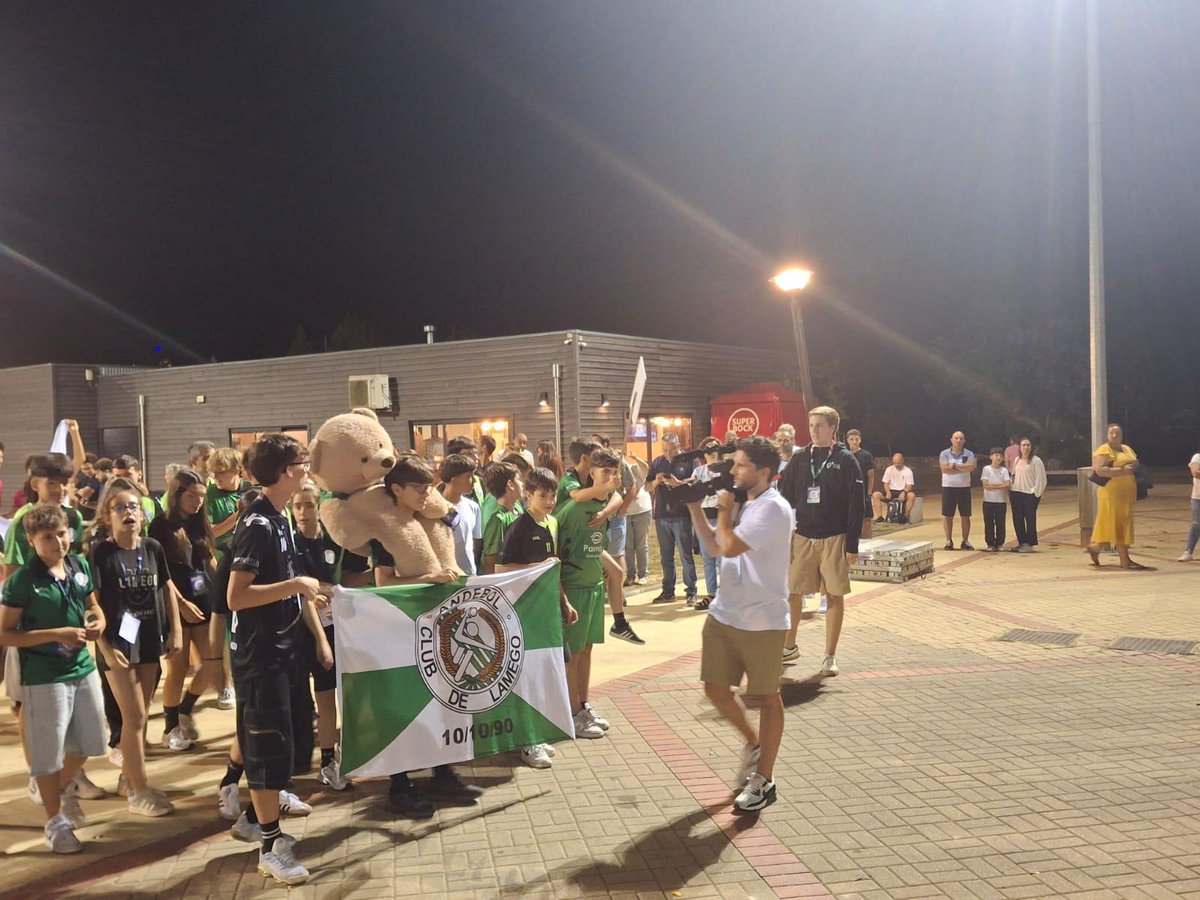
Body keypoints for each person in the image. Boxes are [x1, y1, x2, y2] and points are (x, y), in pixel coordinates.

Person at [226, 434, 332, 884]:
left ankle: (256, 818)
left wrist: (306, 595)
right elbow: (236, 596)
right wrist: (295, 586)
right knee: (267, 748)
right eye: (302, 462)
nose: (307, 468)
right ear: (287, 471)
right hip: (260, 655)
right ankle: (270, 845)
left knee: (283, 744)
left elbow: (286, 581)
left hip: (283, 650)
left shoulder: (280, 515)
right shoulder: (258, 523)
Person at [685, 436, 793, 812]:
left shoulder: (773, 509)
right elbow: (715, 548)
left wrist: (725, 512)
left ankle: (764, 778)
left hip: (762, 619)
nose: (732, 471)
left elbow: (730, 546)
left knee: (766, 697)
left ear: (763, 472)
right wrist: (695, 507)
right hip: (725, 613)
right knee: (715, 689)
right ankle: (754, 743)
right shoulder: (747, 505)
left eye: (741, 465)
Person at [370, 455, 481, 818]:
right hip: (401, 627)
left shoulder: (433, 520)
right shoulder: (385, 528)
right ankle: (400, 784)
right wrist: (429, 579)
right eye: (419, 490)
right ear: (396, 489)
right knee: (405, 705)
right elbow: (383, 582)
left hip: (438, 623)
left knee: (443, 698)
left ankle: (442, 771)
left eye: (429, 488)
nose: (426, 495)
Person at [0, 505, 109, 853]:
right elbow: (6, 634)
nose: (58, 542)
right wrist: (54, 634)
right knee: (47, 754)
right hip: (44, 677)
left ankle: (54, 788)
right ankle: (54, 822)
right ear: (32, 541)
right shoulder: (23, 581)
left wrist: (98, 622)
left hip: (82, 667)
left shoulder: (79, 566)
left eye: (62, 534)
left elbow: (93, 604)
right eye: (48, 537)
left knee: (94, 740)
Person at [89, 477, 180, 815]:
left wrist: (176, 631)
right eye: (119, 508)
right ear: (107, 517)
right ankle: (138, 791)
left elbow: (167, 589)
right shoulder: (102, 553)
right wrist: (105, 646)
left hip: (149, 638)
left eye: (133, 507)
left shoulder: (153, 547)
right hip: (117, 643)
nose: (128, 512)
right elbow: (92, 602)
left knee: (139, 717)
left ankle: (130, 778)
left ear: (142, 515)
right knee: (135, 716)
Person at [290, 480, 372, 791]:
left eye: (308, 505)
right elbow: (302, 592)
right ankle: (326, 763)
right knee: (324, 701)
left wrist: (379, 571)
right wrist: (321, 641)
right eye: (297, 506)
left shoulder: (335, 541)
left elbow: (351, 579)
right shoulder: (293, 545)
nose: (302, 512)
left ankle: (346, 754)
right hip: (309, 632)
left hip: (342, 628)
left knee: (347, 695)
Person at [498, 466, 577, 768]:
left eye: (553, 494)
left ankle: (536, 733)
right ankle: (525, 740)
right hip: (524, 613)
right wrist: (538, 567)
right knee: (525, 676)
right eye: (542, 495)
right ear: (528, 495)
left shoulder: (552, 523)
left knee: (547, 671)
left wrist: (565, 602)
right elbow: (499, 570)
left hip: (548, 612)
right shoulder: (519, 527)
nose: (549, 500)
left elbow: (552, 569)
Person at [777, 406, 863, 676]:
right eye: (811, 425)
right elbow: (784, 496)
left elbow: (856, 505)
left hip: (834, 536)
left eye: (819, 426)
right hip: (803, 536)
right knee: (793, 591)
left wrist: (851, 545)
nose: (814, 430)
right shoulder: (800, 458)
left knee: (834, 594)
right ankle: (789, 646)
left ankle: (829, 656)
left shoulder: (846, 460)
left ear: (832, 429)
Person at [149, 468, 221, 749]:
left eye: (201, 497)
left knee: (213, 664)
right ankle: (170, 729)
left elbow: (210, 560)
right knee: (177, 669)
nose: (198, 502)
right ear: (177, 494)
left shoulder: (200, 523)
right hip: (175, 603)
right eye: (192, 496)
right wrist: (180, 603)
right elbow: (161, 573)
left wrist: (222, 590)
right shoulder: (160, 526)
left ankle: (186, 709)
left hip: (203, 601)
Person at [556, 447, 621, 739]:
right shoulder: (572, 510)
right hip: (575, 588)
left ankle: (582, 703)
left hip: (595, 586)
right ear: (591, 473)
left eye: (614, 472)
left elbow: (623, 494)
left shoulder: (606, 504)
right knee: (574, 655)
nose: (610, 477)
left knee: (588, 649)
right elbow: (556, 551)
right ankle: (571, 713)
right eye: (604, 471)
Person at [4, 454, 84, 579]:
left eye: (64, 483)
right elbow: (13, 567)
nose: (60, 489)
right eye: (51, 483)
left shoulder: (74, 517)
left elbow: (79, 556)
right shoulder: (24, 519)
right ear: (35, 485)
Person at [1087, 424, 1147, 570]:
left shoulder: (1126, 448)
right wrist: (1122, 470)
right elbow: (1100, 470)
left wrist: (1134, 466)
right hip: (1111, 493)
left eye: (1117, 433)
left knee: (1119, 524)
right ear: (1107, 435)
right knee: (1117, 524)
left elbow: (1135, 461)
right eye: (1111, 433)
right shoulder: (1103, 450)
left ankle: (1095, 547)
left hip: (1126, 494)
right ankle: (1124, 560)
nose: (1115, 435)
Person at [647, 432, 698, 604]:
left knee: (685, 554)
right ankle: (668, 591)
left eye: (672, 450)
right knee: (665, 556)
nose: (668, 454)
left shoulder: (689, 460)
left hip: (682, 514)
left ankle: (691, 590)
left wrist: (679, 484)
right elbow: (647, 486)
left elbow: (697, 482)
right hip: (662, 514)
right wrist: (656, 482)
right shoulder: (657, 462)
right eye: (665, 450)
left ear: (679, 445)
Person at [691, 437, 724, 607]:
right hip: (704, 516)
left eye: (715, 448)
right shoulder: (698, 471)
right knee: (707, 558)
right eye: (708, 449)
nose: (711, 452)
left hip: (721, 516)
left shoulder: (725, 470)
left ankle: (724, 594)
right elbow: (692, 492)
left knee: (721, 558)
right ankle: (711, 594)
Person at [438, 454, 482, 576]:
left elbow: (475, 542)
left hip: (469, 576)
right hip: (445, 577)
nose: (473, 480)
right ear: (453, 479)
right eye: (468, 476)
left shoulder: (473, 507)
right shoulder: (435, 509)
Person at [482, 461, 523, 574]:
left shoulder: (519, 511)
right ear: (510, 485)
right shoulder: (498, 520)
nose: (522, 484)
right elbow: (490, 561)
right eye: (518, 479)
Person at [939, 431, 977, 551]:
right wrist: (962, 468)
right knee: (947, 515)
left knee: (965, 516)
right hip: (948, 488)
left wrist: (953, 466)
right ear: (951, 440)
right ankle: (948, 540)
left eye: (961, 438)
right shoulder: (944, 453)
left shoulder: (969, 453)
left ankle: (965, 541)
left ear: (964, 440)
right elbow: (944, 469)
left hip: (964, 488)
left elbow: (971, 467)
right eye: (956, 438)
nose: (959, 440)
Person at [1010, 438, 1047, 553]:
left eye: (1028, 445)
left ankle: (1030, 543)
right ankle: (1022, 542)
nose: (1025, 447)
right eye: (1023, 445)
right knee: (1018, 519)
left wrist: (1035, 493)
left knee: (1030, 519)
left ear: (1031, 447)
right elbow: (1013, 475)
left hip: (1029, 494)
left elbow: (1041, 479)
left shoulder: (1036, 461)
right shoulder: (1017, 460)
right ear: (1019, 447)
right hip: (1016, 493)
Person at [206, 448, 244, 555]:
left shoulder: (249, 490)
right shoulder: (210, 494)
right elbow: (209, 533)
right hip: (222, 555)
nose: (215, 477)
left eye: (221, 472)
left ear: (237, 470)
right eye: (213, 473)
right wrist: (239, 514)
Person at [622, 449, 652, 587]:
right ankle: (630, 575)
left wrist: (636, 457)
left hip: (642, 510)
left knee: (641, 544)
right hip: (625, 512)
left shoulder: (633, 468)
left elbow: (646, 468)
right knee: (628, 546)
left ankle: (643, 574)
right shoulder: (615, 475)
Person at [980, 448, 1011, 552]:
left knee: (1000, 523)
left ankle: (1000, 543)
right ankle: (990, 544)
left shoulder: (1004, 470)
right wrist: (1000, 485)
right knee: (988, 523)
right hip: (988, 501)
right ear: (991, 457)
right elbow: (986, 485)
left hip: (1001, 501)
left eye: (1000, 456)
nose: (998, 457)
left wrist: (993, 485)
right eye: (996, 455)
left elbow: (1007, 485)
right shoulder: (986, 469)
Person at [845, 430, 875, 539]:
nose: (854, 442)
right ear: (847, 440)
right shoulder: (844, 455)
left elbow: (871, 475)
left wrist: (869, 492)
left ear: (860, 440)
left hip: (863, 492)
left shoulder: (866, 455)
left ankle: (867, 540)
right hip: (848, 493)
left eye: (856, 439)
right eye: (852, 439)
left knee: (866, 519)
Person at [872, 452, 916, 524]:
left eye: (898, 463)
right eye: (895, 463)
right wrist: (888, 492)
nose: (896, 465)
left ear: (902, 461)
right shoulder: (889, 469)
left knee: (911, 496)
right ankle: (880, 517)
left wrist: (904, 492)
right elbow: (885, 483)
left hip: (902, 491)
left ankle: (905, 516)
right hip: (891, 491)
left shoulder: (908, 471)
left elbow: (909, 485)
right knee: (875, 495)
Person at [1180, 449, 1200, 562]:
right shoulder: (1197, 457)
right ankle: (1188, 551)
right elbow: (1195, 473)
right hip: (1198, 498)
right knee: (1197, 524)